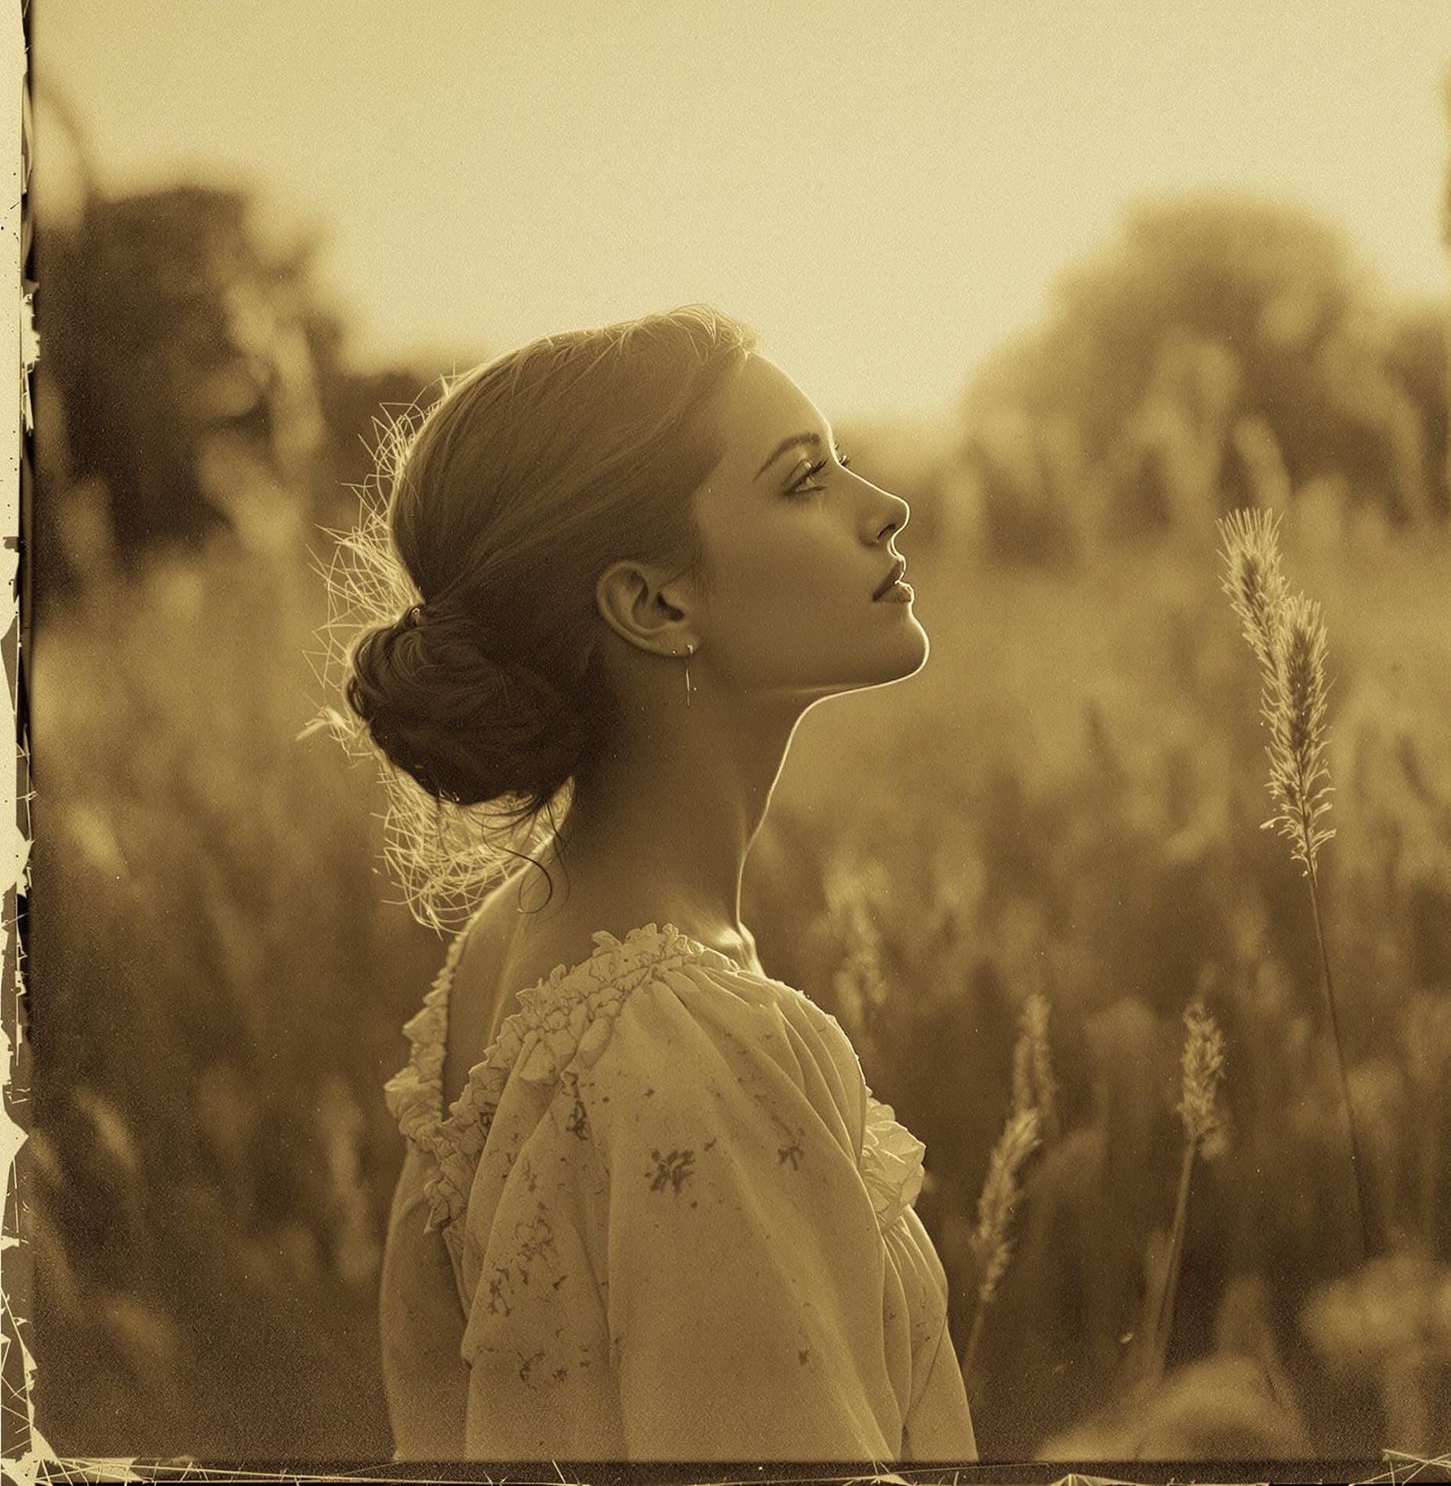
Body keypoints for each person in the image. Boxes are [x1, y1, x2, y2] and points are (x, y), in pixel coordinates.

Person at [335, 304, 977, 1462]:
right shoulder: (691, 1051)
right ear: (654, 604)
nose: (886, 506)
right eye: (803, 480)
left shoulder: (512, 942)